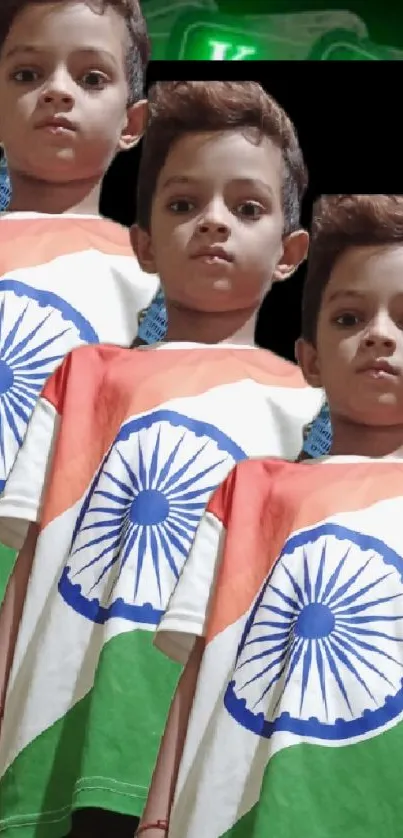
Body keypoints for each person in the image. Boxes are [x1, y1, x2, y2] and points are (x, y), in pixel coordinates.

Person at [0, 80, 321, 838]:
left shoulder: (309, 414)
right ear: (141, 241)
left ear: (290, 251)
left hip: (211, 752)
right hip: (61, 738)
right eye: (182, 205)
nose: (212, 223)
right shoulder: (85, 380)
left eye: (246, 209)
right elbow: (25, 556)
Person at [141, 193, 403, 838]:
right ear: (309, 358)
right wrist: (156, 819)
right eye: (347, 318)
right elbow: (202, 664)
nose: (378, 334)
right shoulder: (252, 490)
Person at [0, 0, 162, 598]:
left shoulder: (156, 288)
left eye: (91, 78)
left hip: (69, 574)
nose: (56, 91)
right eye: (26, 74)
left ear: (133, 121)